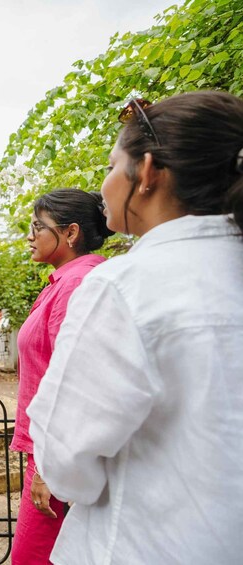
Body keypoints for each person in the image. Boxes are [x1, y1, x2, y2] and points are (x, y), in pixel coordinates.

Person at [27, 91, 243, 563]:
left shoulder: (122, 287)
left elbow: (66, 461)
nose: (103, 185)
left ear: (146, 173)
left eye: (109, 167)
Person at [10, 189, 112, 564]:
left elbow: (71, 381)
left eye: (39, 226)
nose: (29, 235)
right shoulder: (62, 281)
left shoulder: (75, 284)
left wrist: (47, 467)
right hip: (47, 453)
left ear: (70, 233)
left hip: (53, 460)